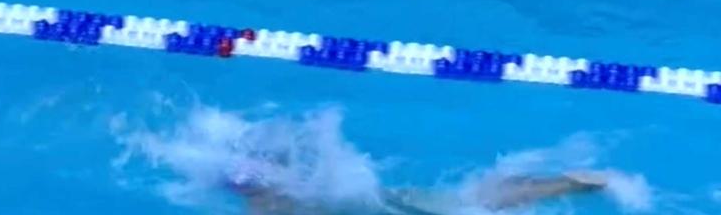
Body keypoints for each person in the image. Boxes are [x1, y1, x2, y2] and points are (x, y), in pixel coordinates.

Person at [230, 170, 610, 215]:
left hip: (399, 205)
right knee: (472, 203)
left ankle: (567, 184)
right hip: (397, 200)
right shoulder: (299, 197)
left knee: (472, 206)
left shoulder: (282, 205)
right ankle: (566, 184)